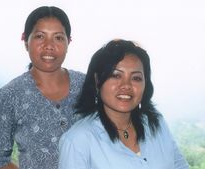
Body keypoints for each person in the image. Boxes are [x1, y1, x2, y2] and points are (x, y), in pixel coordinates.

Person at [58, 39, 189, 169]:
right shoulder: (78, 141)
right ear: (97, 81)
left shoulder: (156, 123)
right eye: (116, 75)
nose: (126, 85)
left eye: (136, 78)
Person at [0, 6, 85, 169]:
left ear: (68, 42)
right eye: (40, 36)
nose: (49, 46)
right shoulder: (10, 95)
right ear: (25, 41)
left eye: (58, 38)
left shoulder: (86, 86)